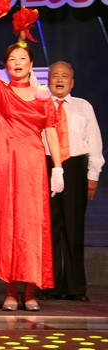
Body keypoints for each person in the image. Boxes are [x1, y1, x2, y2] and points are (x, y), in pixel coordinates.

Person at [0, 12, 63, 312]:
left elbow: (51, 132)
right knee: (8, 224)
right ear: (7, 66)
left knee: (32, 226)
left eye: (22, 58)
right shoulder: (1, 90)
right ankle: (11, 290)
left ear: (31, 64)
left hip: (33, 165)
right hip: (6, 164)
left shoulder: (43, 97)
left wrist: (58, 167)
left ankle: (30, 290)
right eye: (11, 59)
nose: (17, 62)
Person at [42, 61, 104, 302]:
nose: (59, 80)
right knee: (50, 227)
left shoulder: (83, 106)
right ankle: (50, 286)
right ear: (48, 80)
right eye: (55, 75)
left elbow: (94, 142)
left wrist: (93, 175)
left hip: (75, 168)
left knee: (74, 227)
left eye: (64, 76)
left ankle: (76, 287)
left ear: (72, 82)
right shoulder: (41, 105)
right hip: (47, 165)